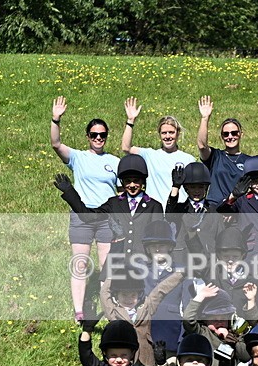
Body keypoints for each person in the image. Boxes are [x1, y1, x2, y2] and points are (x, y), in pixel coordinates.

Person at [50, 96, 118, 322]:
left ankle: (109, 307)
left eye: (102, 135)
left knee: (106, 265)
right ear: (87, 137)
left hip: (107, 218)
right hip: (81, 215)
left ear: (106, 136)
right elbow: (56, 144)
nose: (98, 138)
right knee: (80, 263)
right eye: (94, 135)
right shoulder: (78, 157)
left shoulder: (115, 161)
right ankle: (79, 311)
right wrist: (56, 119)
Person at [54, 154, 164, 276]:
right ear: (122, 181)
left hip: (143, 265)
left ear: (143, 180)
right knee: (106, 294)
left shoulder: (154, 206)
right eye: (128, 181)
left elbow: (158, 239)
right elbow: (88, 216)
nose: (132, 185)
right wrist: (70, 192)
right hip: (117, 264)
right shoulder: (114, 203)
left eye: (136, 181)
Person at [121, 97, 196, 205]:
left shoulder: (188, 159)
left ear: (178, 133)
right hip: (155, 211)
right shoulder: (150, 155)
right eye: (164, 133)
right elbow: (126, 148)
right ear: (159, 135)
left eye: (171, 132)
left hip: (179, 211)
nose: (168, 136)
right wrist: (130, 121)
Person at [197, 96, 251, 208]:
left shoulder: (249, 161)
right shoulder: (215, 156)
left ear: (241, 134)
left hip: (238, 210)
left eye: (234, 133)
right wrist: (205, 118)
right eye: (225, 134)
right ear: (222, 136)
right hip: (215, 209)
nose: (230, 137)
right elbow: (202, 146)